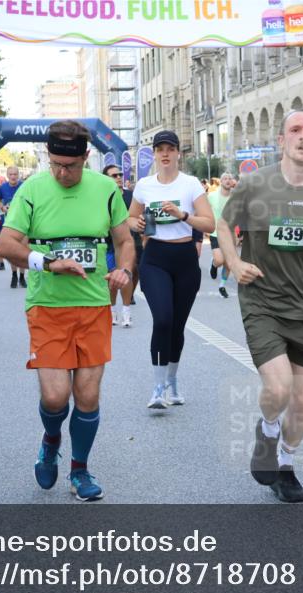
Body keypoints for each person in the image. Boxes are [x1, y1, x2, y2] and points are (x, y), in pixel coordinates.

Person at [218, 109, 303, 503]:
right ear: (281, 140)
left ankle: (286, 466)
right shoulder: (256, 183)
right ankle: (267, 430)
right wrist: (234, 261)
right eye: (295, 130)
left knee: (300, 402)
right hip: (263, 299)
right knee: (278, 389)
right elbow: (224, 225)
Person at [0, 120, 133, 501]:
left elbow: (124, 240)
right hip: (47, 308)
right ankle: (51, 439)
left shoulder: (107, 190)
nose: (61, 172)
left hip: (92, 306)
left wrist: (123, 268)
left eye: (69, 166)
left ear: (86, 159)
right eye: (55, 164)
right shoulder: (33, 189)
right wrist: (45, 261)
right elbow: (6, 244)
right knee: (56, 398)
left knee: (87, 397)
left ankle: (80, 470)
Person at [127, 130, 215, 409]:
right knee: (162, 319)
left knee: (176, 327)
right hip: (155, 257)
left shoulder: (190, 185)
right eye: (159, 149)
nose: (164, 154)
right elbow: (129, 217)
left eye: (170, 149)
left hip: (185, 258)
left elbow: (209, 224)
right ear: (154, 154)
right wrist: (136, 225)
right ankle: (157, 388)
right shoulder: (144, 185)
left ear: (178, 153)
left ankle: (172, 381)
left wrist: (183, 215)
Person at [102, 165, 138, 327]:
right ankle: (112, 310)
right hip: (109, 244)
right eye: (113, 175)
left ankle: (126, 311)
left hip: (128, 241)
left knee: (127, 274)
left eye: (120, 174)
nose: (118, 177)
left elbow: (137, 215)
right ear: (105, 178)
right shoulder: (101, 196)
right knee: (112, 276)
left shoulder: (131, 195)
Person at [207, 172, 235, 298]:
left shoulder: (235, 196)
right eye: (225, 178)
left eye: (230, 178)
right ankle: (214, 264)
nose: (228, 180)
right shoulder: (212, 195)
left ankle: (222, 285)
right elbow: (204, 210)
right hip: (216, 232)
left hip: (231, 233)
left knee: (229, 262)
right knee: (220, 260)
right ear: (221, 181)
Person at [0, 166, 24, 284]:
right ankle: (14, 275)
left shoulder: (24, 185)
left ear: (18, 175)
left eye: (15, 174)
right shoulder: (3, 187)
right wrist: (2, 207)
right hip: (10, 223)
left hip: (24, 223)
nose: (13, 176)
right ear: (8, 175)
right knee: (12, 251)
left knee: (22, 250)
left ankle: (22, 277)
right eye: (11, 174)